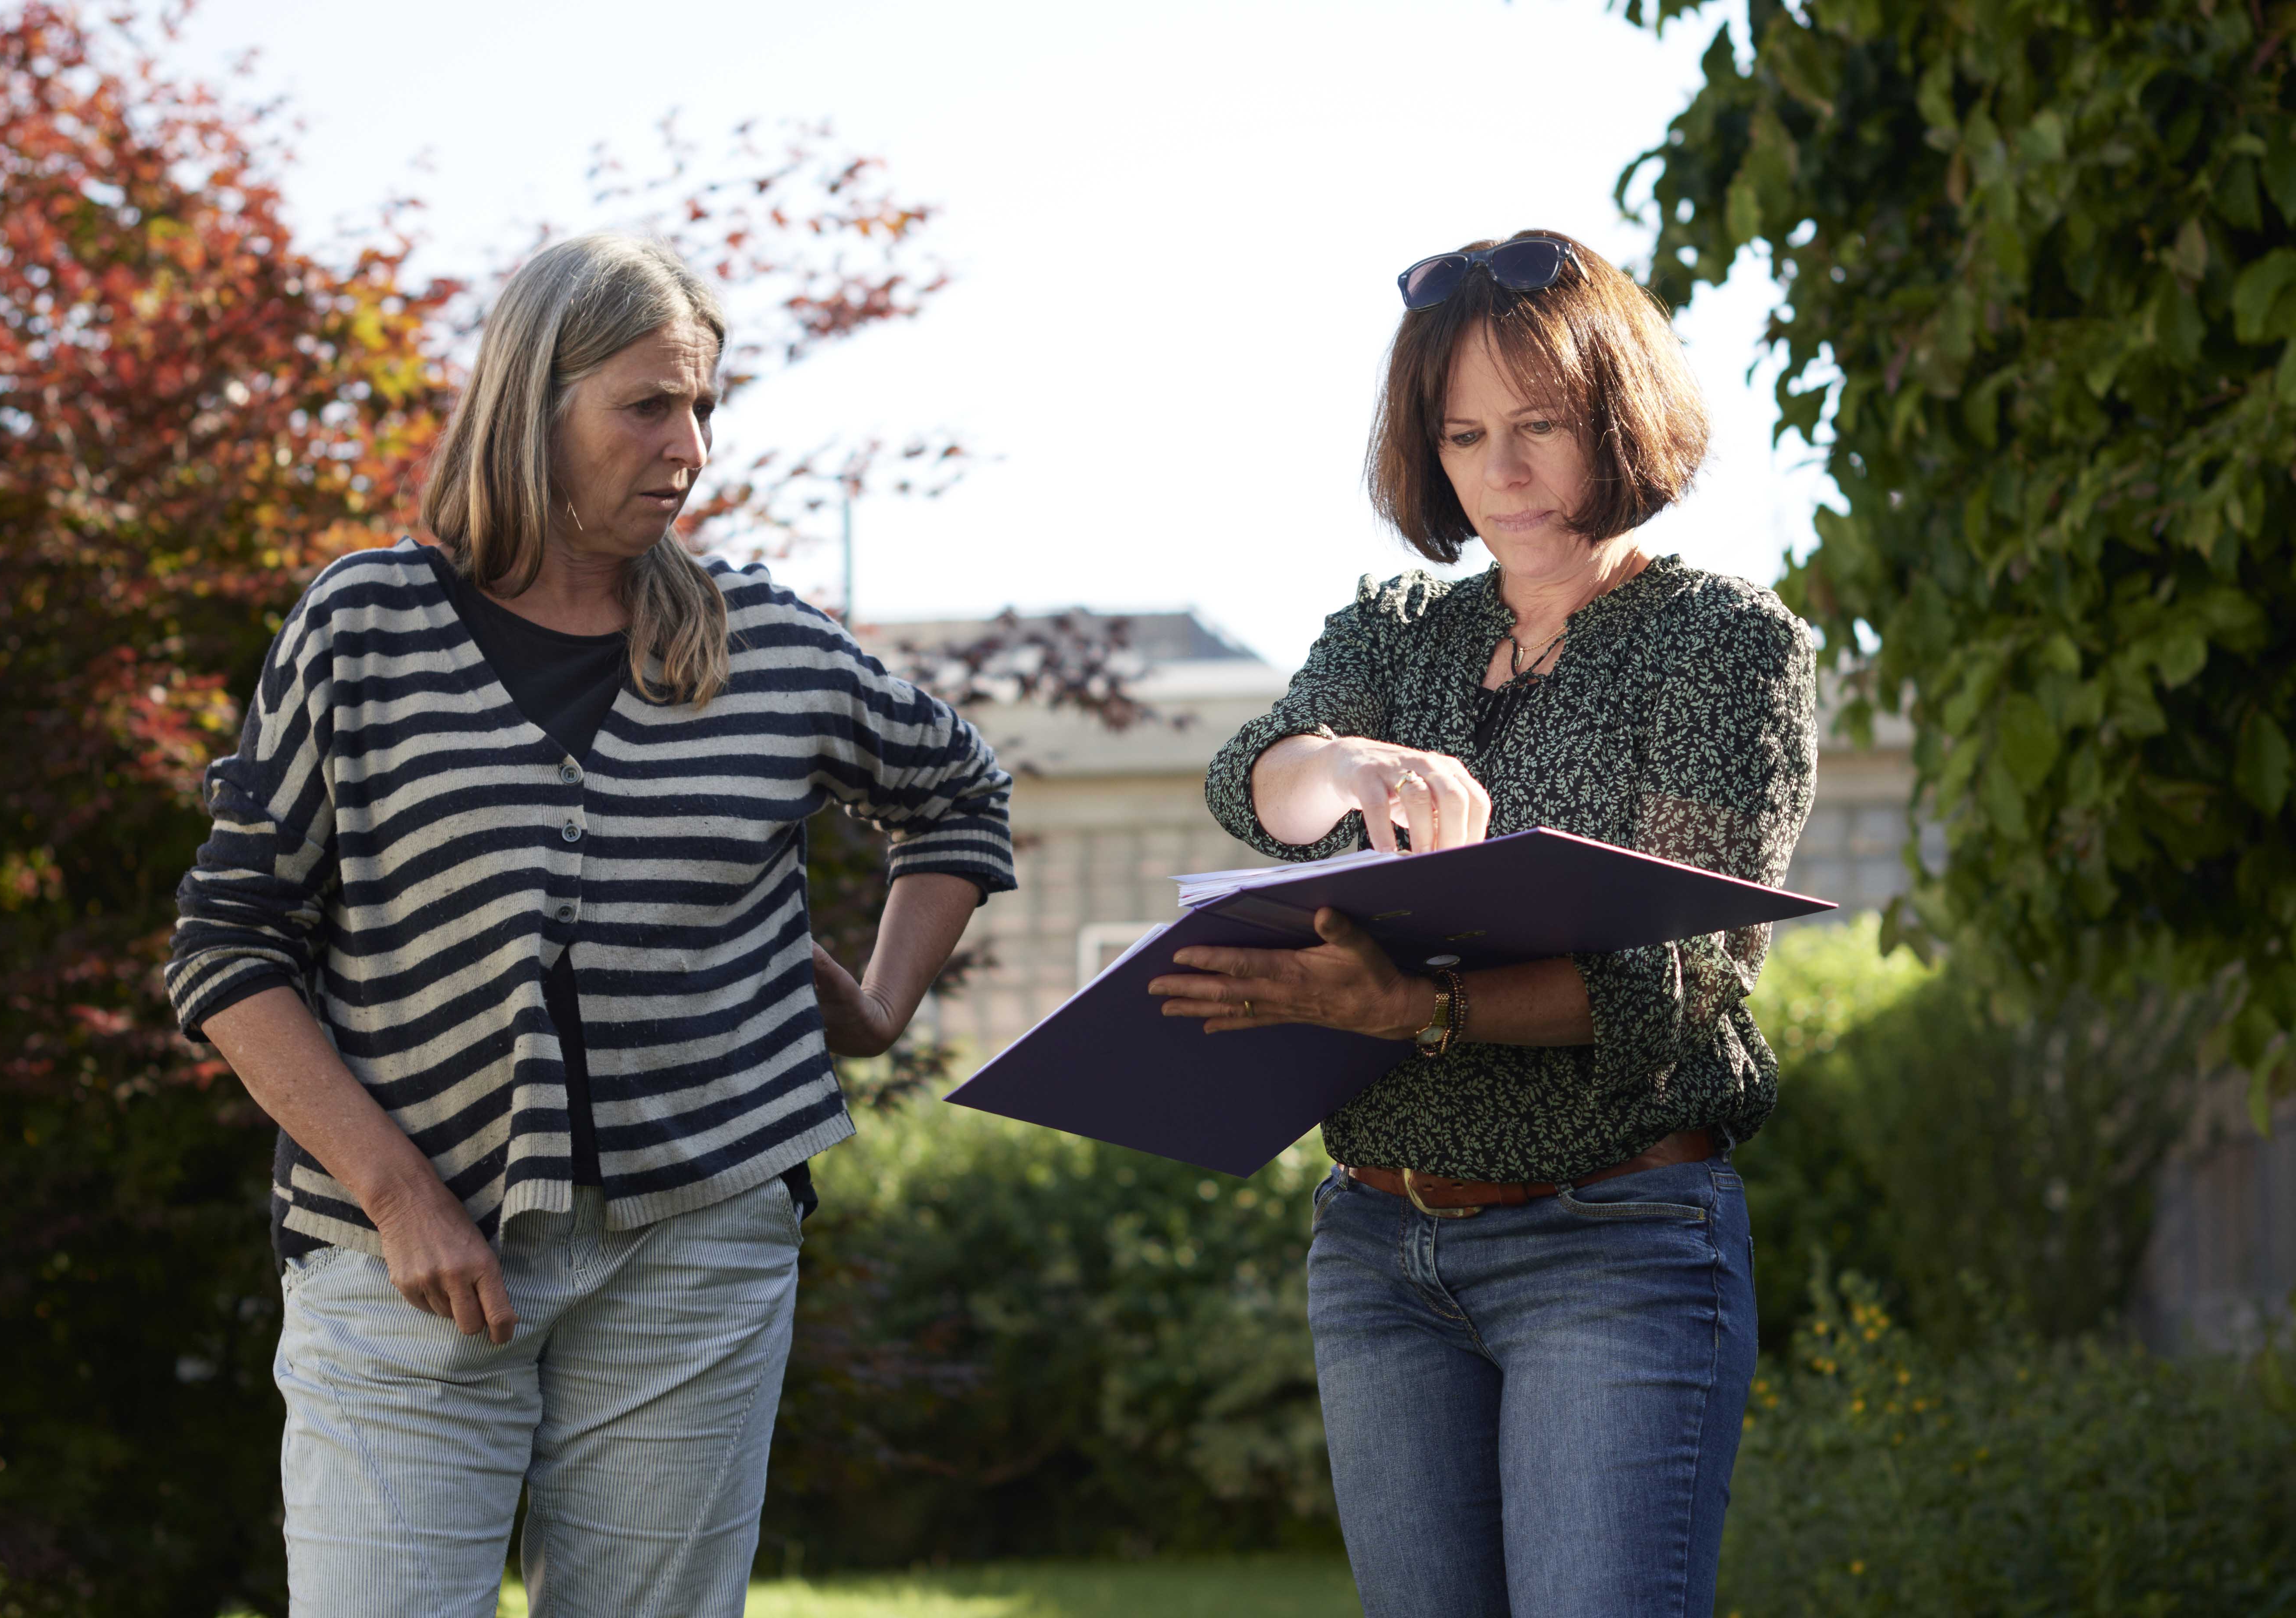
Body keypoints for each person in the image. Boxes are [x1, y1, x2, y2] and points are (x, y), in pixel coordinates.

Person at [164, 232, 1013, 1617]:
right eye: (647, 405)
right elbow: (229, 946)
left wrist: (876, 1002)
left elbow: (961, 796)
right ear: (532, 403)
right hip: (399, 1260)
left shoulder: (763, 643)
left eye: (703, 410)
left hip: (698, 1245)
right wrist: (398, 1197)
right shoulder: (365, 627)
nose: (687, 445)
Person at [1148, 231, 1817, 1618]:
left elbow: (1680, 980)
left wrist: (1420, 1012)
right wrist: (1340, 768)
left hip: (1616, 1236)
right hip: (1379, 1252)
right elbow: (1251, 778)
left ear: (1621, 418)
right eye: (1462, 435)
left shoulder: (1723, 642)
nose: (1501, 473)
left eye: (1541, 427)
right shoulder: (1400, 631)